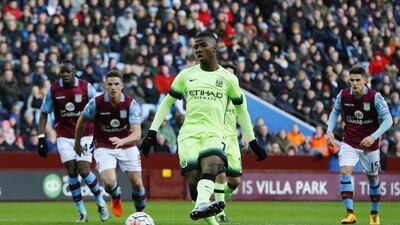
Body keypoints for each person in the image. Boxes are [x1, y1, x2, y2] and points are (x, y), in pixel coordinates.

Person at [140, 31, 266, 225]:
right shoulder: (186, 75)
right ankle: (207, 213)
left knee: (213, 164)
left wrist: (253, 141)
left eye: (202, 45)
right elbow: (166, 103)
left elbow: (242, 111)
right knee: (193, 179)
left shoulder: (228, 79)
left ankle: (201, 204)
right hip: (189, 134)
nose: (198, 49)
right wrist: (151, 133)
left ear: (214, 49)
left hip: (215, 133)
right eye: (195, 46)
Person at [38, 60, 109, 222]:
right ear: (59, 72)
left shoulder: (86, 88)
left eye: (68, 71)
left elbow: (98, 109)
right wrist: (41, 138)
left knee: (84, 170)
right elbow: (44, 112)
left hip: (86, 133)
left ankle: (101, 202)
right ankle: (82, 212)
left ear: (74, 71)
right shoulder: (53, 89)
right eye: (62, 71)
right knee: (71, 171)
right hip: (64, 135)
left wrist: (99, 133)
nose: (65, 74)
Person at [74, 70, 146, 219]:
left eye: (116, 84)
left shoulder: (130, 104)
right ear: (105, 85)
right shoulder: (96, 103)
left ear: (122, 85)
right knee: (109, 182)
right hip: (104, 146)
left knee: (137, 183)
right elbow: (81, 120)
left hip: (127, 145)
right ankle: (116, 195)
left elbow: (137, 134)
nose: (113, 87)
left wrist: (122, 141)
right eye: (110, 84)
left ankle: (140, 215)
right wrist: (77, 142)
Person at [327, 65, 393, 225]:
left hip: (369, 145)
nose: (354, 83)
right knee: (345, 172)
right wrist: (329, 130)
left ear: (365, 80)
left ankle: (374, 214)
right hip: (349, 141)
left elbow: (388, 120)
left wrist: (374, 136)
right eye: (352, 80)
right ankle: (350, 213)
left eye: (358, 80)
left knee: (373, 178)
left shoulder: (374, 97)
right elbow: (335, 112)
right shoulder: (343, 95)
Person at [214, 63, 248, 223]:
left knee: (235, 180)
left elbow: (243, 115)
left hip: (233, 140)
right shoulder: (214, 93)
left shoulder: (239, 95)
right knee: (220, 176)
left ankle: (219, 203)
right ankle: (219, 212)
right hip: (216, 138)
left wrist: (246, 135)